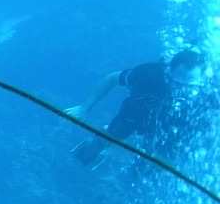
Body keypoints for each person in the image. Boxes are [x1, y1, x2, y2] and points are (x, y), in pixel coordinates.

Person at [67, 49, 207, 167]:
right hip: (134, 115)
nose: (179, 87)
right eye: (174, 81)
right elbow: (112, 78)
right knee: (96, 147)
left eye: (188, 85)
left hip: (168, 126)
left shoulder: (208, 93)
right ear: (169, 70)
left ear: (201, 80)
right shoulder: (149, 73)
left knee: (150, 166)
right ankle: (93, 151)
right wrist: (84, 108)